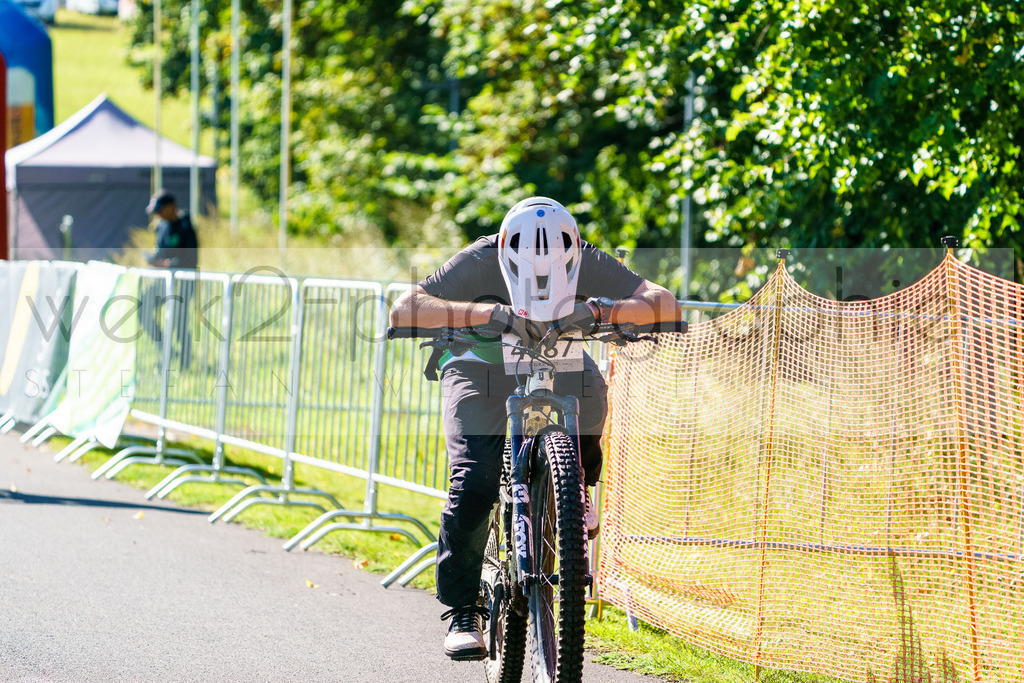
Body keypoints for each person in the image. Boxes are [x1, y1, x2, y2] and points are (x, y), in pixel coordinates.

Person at [388, 196, 682, 661]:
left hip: (557, 358)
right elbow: (405, 308)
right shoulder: (480, 257)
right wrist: (490, 315)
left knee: (592, 391)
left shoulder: (587, 257)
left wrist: (599, 311)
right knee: (475, 479)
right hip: (477, 365)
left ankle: (575, 483)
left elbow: (662, 301)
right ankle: (464, 610)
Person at [142, 190, 199, 369]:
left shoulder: (185, 226)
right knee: (142, 309)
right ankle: (167, 352)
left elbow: (191, 259)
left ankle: (185, 364)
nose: (157, 214)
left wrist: (166, 264)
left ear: (171, 207)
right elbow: (161, 252)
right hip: (164, 281)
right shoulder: (161, 226)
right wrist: (153, 259)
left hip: (183, 282)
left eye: (159, 209)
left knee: (179, 321)